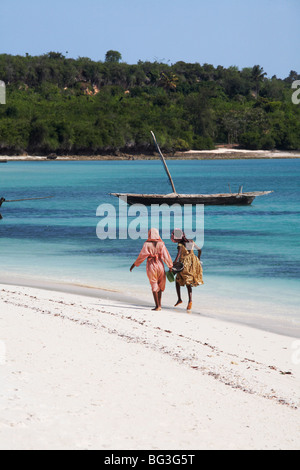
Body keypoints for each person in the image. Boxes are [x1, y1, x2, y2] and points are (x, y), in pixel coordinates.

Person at [130, 228, 173, 311]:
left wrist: (134, 264)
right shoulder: (161, 244)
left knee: (154, 283)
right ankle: (159, 305)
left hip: (151, 265)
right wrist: (170, 266)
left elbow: (141, 256)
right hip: (160, 265)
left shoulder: (146, 244)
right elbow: (166, 256)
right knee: (160, 284)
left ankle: (157, 306)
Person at [171, 228, 203, 312]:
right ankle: (190, 301)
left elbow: (178, 255)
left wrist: (174, 263)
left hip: (184, 263)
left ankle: (179, 299)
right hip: (193, 262)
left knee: (177, 280)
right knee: (188, 282)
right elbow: (199, 250)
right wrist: (198, 260)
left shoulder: (180, 244)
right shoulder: (191, 241)